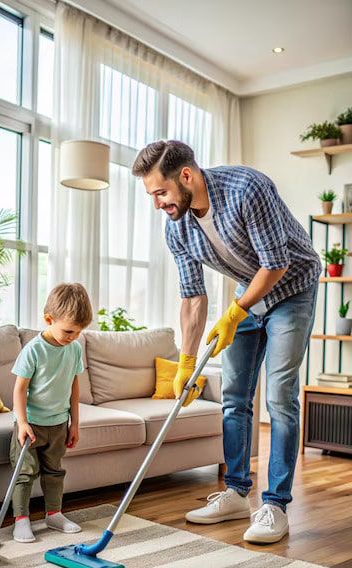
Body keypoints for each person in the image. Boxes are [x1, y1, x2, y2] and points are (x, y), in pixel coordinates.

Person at [132, 140, 321, 544]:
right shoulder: (177, 225)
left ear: (186, 175)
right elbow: (192, 296)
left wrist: (236, 313)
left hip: (293, 288)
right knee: (234, 395)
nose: (157, 204)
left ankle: (275, 505)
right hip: (248, 293)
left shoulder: (246, 189)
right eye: (151, 195)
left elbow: (276, 263)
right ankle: (236, 492)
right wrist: (185, 362)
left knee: (278, 395)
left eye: (160, 192)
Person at [10, 282, 93, 543]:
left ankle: (54, 514)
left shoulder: (74, 348)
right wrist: (22, 422)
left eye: (78, 332)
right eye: (68, 330)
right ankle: (21, 520)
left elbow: (73, 386)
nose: (72, 337)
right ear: (49, 319)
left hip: (58, 424)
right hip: (31, 425)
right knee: (24, 473)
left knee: (55, 471)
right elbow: (20, 389)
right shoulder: (34, 350)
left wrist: (75, 424)